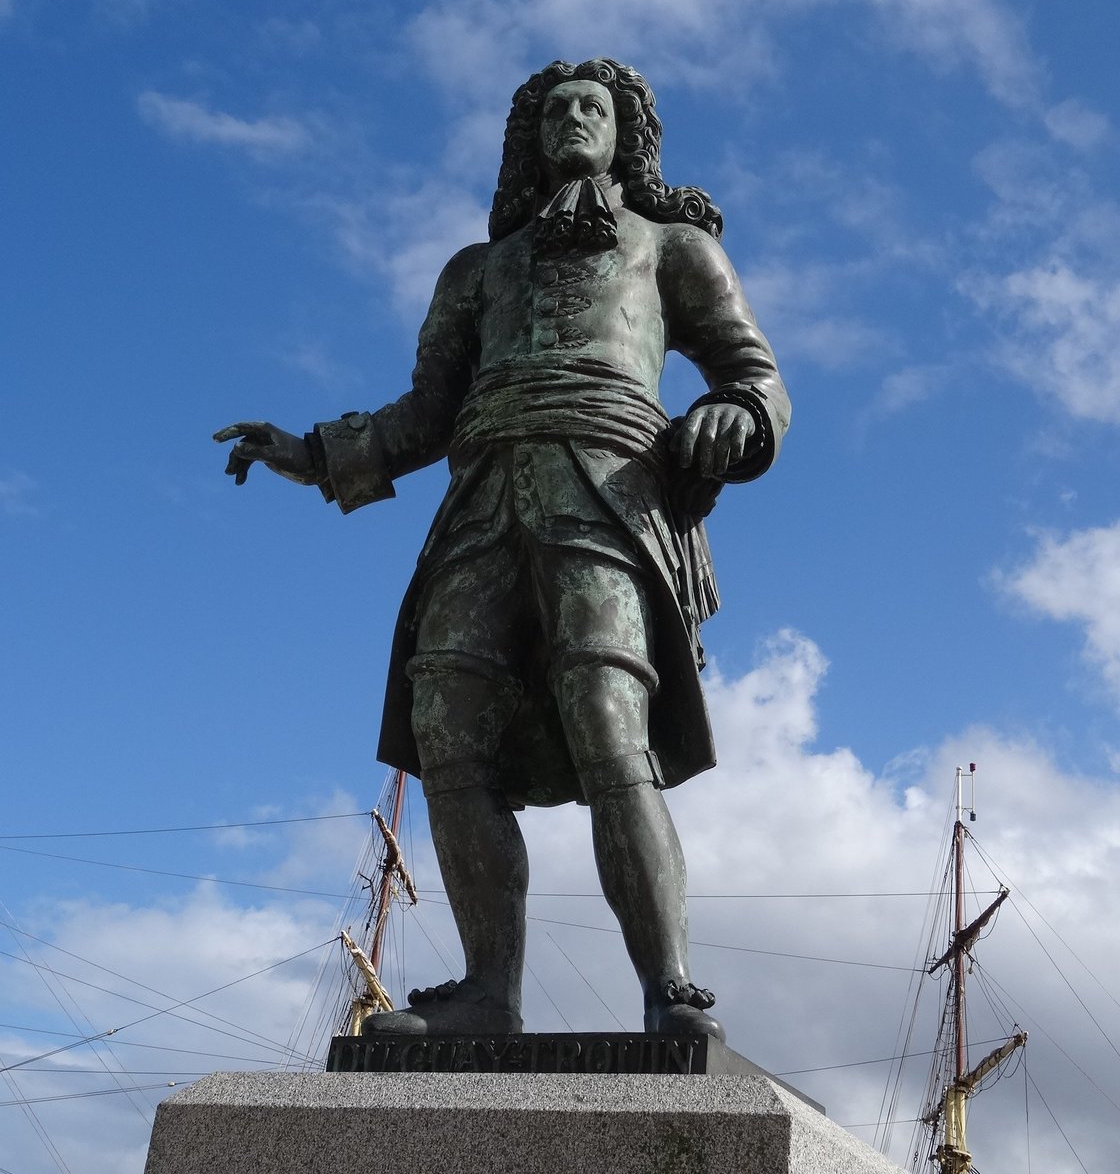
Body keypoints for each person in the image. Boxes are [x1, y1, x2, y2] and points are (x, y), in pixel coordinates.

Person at [216, 57, 790, 1039]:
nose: (572, 118)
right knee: (449, 739)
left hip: (605, 499)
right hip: (478, 508)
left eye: (591, 107)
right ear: (528, 139)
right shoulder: (475, 273)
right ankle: (488, 994)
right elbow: (424, 416)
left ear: (624, 135)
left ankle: (668, 990)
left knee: (611, 725)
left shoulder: (671, 247)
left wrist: (738, 418)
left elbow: (755, 376)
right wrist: (313, 453)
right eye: (555, 109)